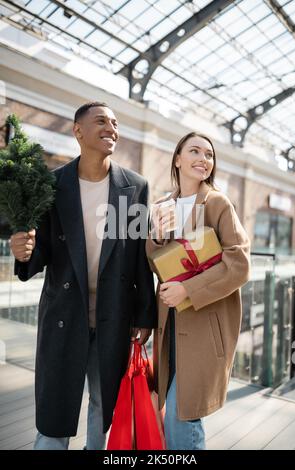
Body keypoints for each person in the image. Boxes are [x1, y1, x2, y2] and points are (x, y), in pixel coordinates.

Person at [10, 101, 157, 450]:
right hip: (63, 314)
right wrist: (24, 252)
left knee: (103, 407)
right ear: (78, 131)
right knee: (54, 411)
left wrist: (144, 314)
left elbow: (138, 255)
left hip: (115, 316)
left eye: (116, 124)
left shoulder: (134, 187)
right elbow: (40, 252)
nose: (112, 129)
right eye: (102, 121)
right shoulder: (52, 185)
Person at [146, 132, 250, 450]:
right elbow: (155, 262)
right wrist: (158, 237)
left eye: (209, 155)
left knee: (182, 416)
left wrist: (188, 290)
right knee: (176, 413)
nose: (203, 159)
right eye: (194, 151)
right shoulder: (163, 205)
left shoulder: (217, 202)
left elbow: (240, 264)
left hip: (207, 326)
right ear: (177, 159)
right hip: (171, 326)